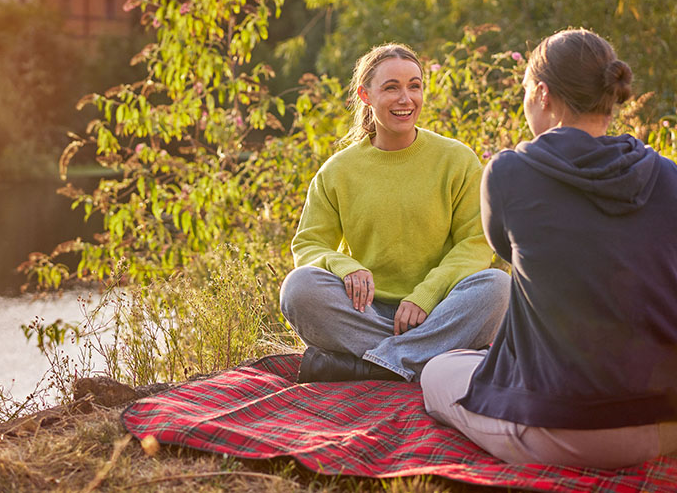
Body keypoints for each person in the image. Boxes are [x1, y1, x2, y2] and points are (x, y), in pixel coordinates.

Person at [421, 28, 677, 468]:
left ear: (542, 93)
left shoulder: (509, 173)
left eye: (524, 91)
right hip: (670, 420)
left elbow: (505, 247)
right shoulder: (669, 175)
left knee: (437, 371)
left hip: (569, 429)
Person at [280, 43, 510, 383]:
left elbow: (475, 244)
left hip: (438, 311)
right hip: (364, 313)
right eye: (392, 87)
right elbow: (308, 245)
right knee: (298, 288)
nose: (406, 99)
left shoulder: (457, 160)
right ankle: (418, 357)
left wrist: (426, 296)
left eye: (414, 86)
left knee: (497, 286)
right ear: (365, 95)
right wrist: (346, 267)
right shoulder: (338, 171)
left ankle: (370, 366)